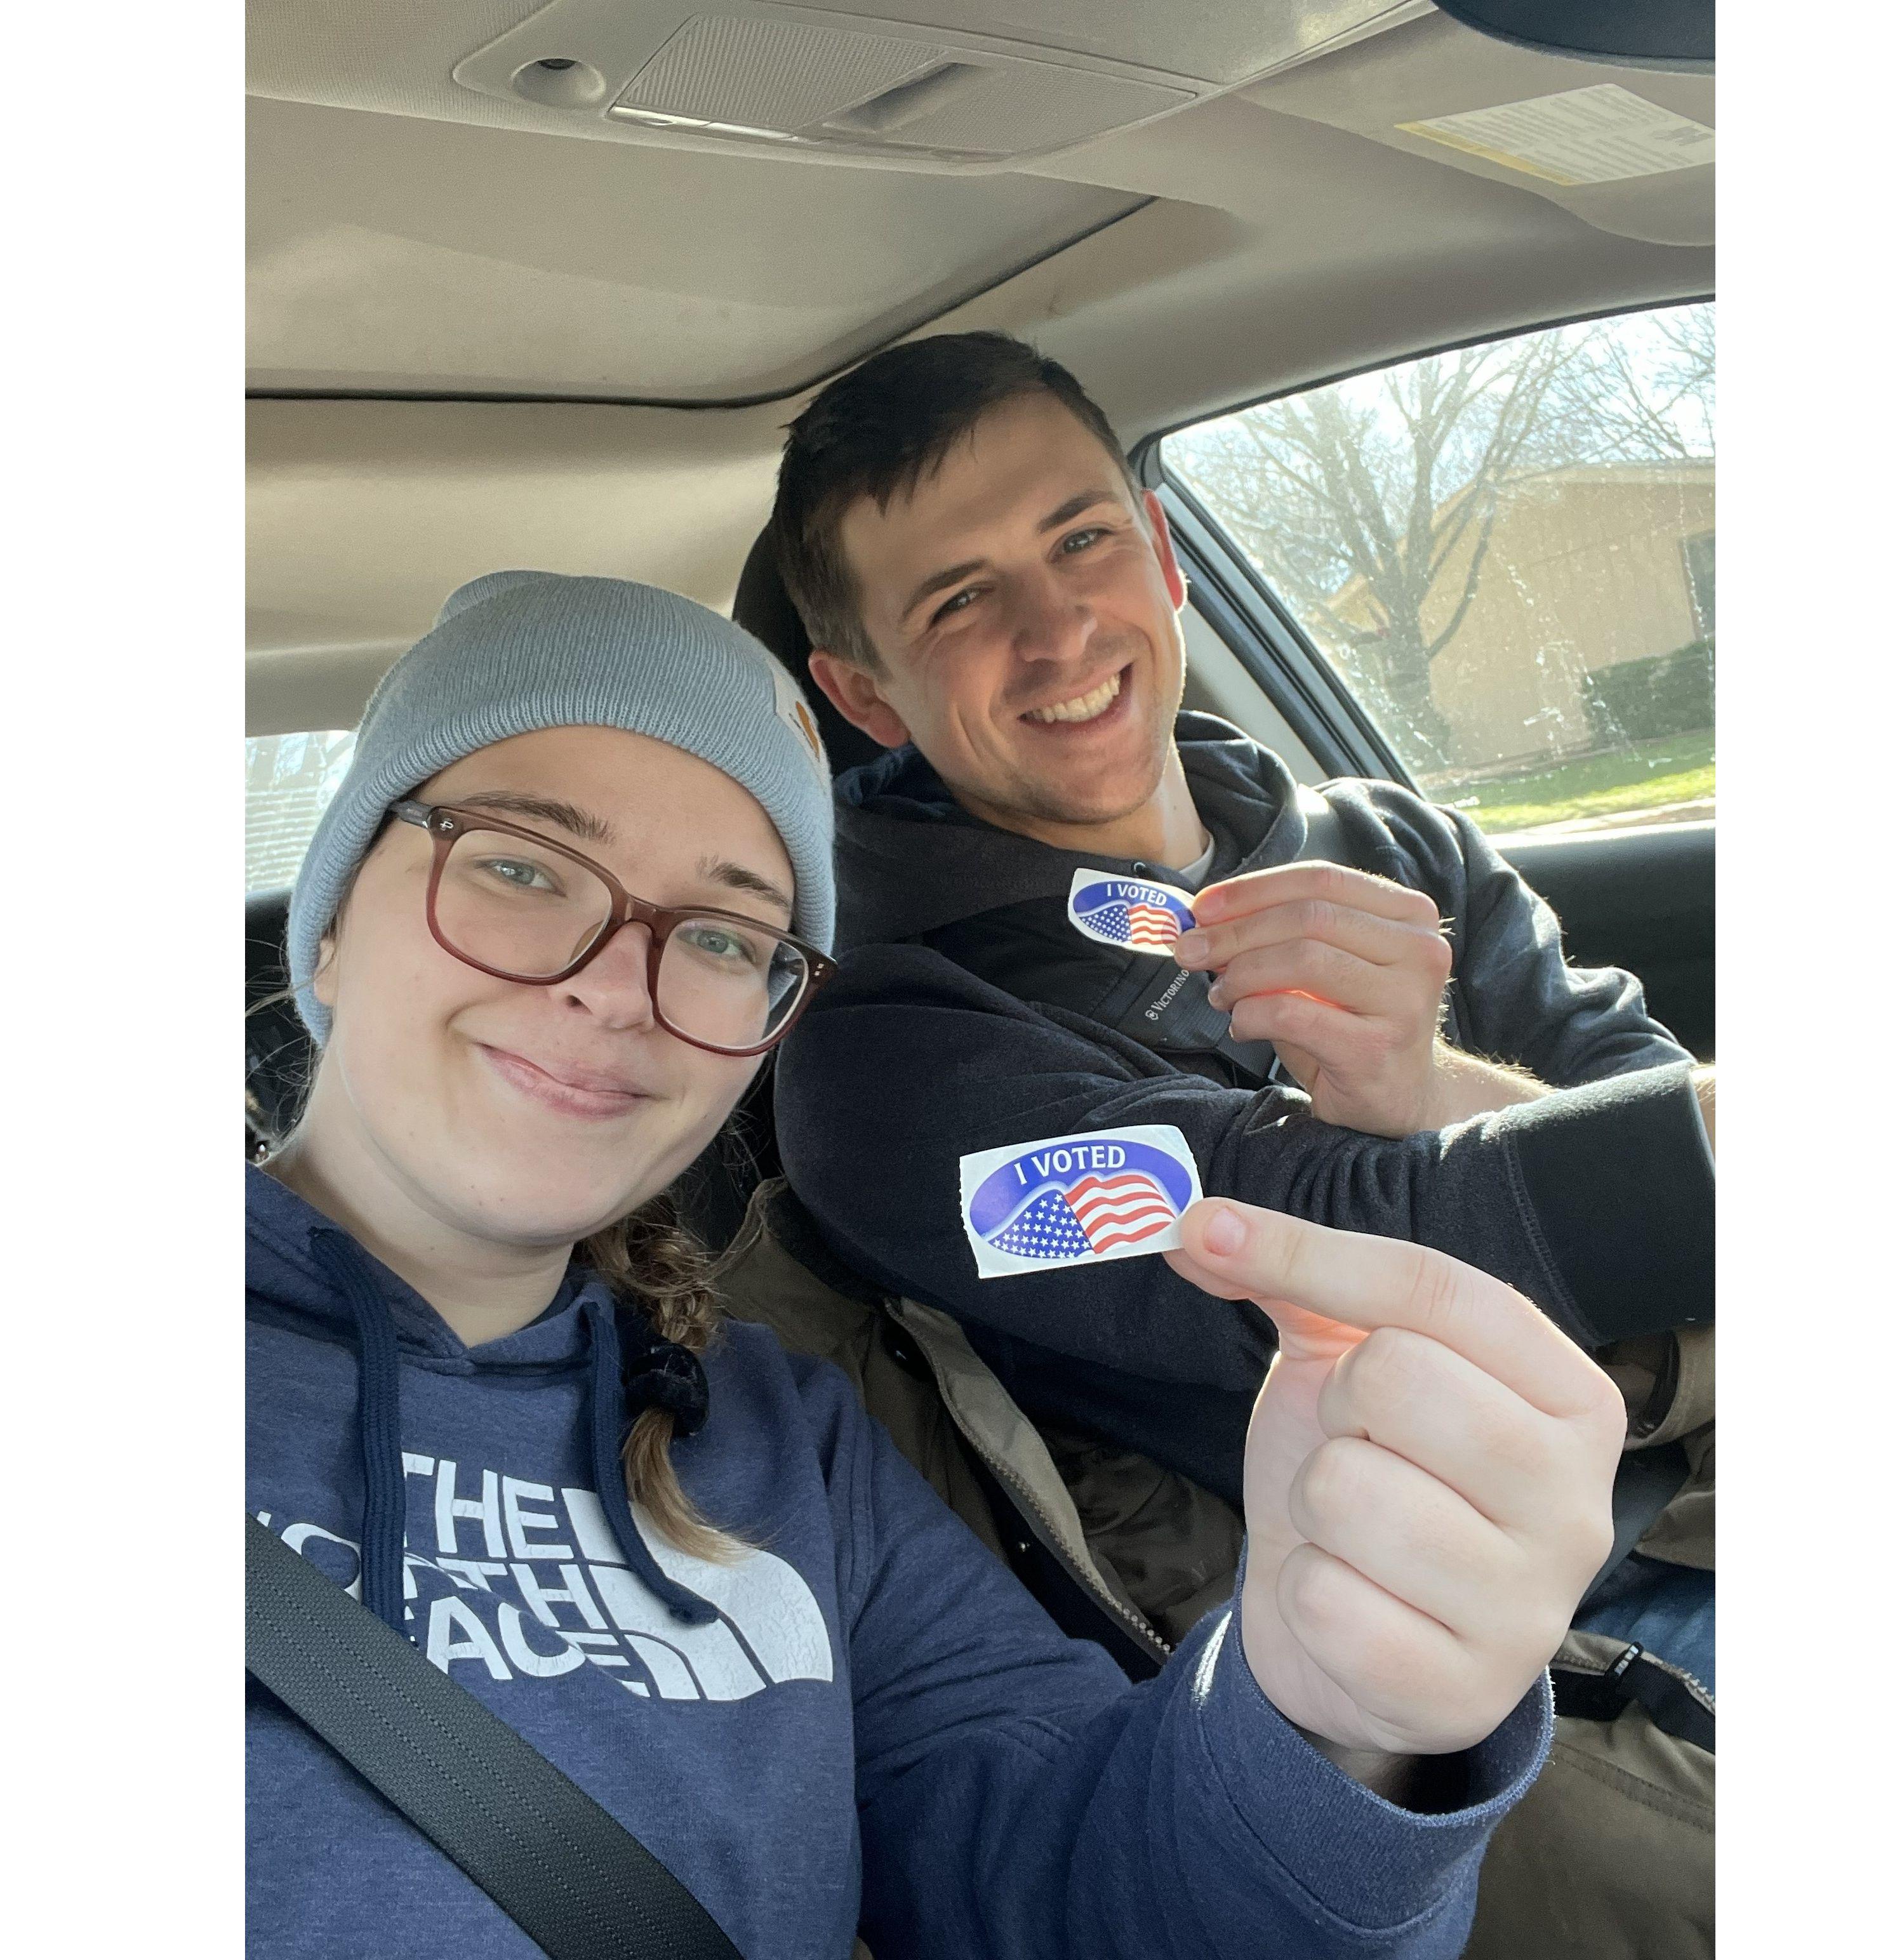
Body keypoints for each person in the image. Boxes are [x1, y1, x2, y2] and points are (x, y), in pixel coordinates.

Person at [248, 570, 1625, 1959]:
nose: (614, 986)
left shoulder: (779, 1443)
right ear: (333, 912)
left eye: (722, 935)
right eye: (522, 867)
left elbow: (1080, 1890)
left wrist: (1327, 1728)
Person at [756, 333, 1715, 1954]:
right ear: (863, 693)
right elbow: (1312, 1248)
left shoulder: (1389, 841)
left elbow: (1640, 1089)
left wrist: (1425, 1076)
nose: (1057, 628)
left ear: (1162, 551)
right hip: (1488, 1658)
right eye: (960, 600)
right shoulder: (882, 1042)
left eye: (1081, 539)